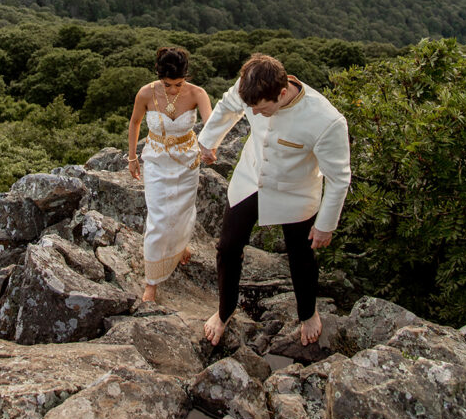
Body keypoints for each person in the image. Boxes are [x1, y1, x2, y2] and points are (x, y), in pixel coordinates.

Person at [198, 53, 351, 347]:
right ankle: (224, 311)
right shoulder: (252, 85)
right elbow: (229, 106)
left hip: (295, 192)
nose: (253, 114)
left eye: (261, 109)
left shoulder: (327, 121)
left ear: (282, 93)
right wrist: (208, 142)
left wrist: (325, 224)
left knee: (301, 255)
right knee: (228, 248)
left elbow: (339, 177)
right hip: (250, 178)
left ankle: (308, 314)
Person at [128, 46, 212, 303]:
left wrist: (211, 146)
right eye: (167, 84)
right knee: (159, 216)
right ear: (158, 76)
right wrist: (132, 156)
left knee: (182, 210)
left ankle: (179, 245)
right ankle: (151, 282)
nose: (173, 90)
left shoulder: (198, 93)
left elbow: (211, 123)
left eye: (178, 83)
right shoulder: (145, 92)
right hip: (156, 159)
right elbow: (135, 123)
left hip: (187, 160)